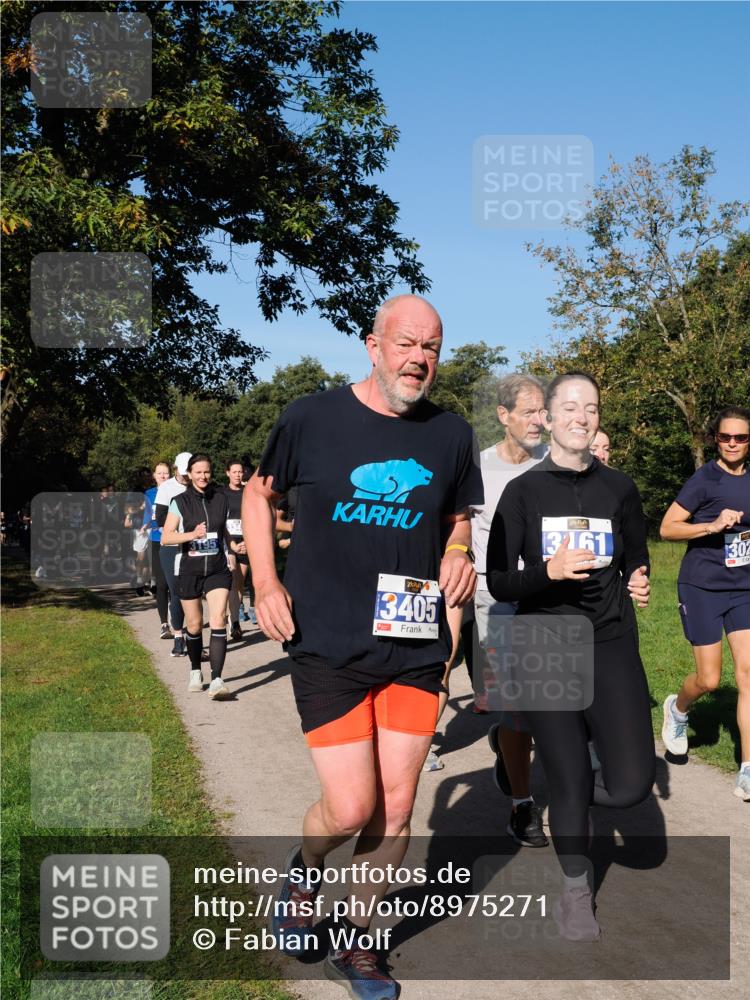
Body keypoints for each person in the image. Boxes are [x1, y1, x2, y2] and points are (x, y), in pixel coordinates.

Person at [243, 294, 482, 999]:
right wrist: (265, 581)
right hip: (327, 640)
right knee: (349, 808)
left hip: (413, 641)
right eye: (406, 343)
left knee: (397, 807)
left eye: (431, 348)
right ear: (373, 346)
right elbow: (258, 496)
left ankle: (358, 940)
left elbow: (458, 515)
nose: (418, 359)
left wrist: (459, 550)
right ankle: (305, 871)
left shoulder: (451, 434)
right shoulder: (309, 417)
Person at [487, 371, 654, 940]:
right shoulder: (523, 493)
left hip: (610, 642)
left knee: (631, 786)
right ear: (549, 418)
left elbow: (636, 556)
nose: (582, 417)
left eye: (592, 408)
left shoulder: (620, 489)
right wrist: (549, 571)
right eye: (571, 407)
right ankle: (576, 893)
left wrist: (639, 578)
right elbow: (500, 581)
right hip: (545, 643)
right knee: (571, 776)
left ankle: (568, 793)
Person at [471, 372, 549, 847]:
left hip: (547, 599)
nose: (539, 420)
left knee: (549, 701)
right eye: (529, 412)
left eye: (544, 411)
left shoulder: (556, 465)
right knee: (518, 705)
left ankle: (505, 741)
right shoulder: (476, 469)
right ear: (504, 416)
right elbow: (453, 529)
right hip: (495, 601)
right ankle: (522, 804)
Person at [659, 406, 750, 800]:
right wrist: (711, 525)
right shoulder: (704, 480)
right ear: (716, 439)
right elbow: (667, 528)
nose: (732, 443)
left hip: (744, 588)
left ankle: (747, 769)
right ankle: (678, 709)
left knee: (748, 674)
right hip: (702, 586)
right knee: (710, 680)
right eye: (725, 437)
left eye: (740, 437)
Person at [161, 453, 236, 700]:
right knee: (193, 624)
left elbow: (224, 531)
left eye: (207, 471)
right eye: (198, 472)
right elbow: (167, 536)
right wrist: (192, 535)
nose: (203, 476)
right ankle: (195, 670)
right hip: (189, 569)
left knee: (219, 618)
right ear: (190, 474)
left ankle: (217, 679)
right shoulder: (179, 501)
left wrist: (233, 547)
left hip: (216, 568)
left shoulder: (221, 499)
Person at [155, 453, 191, 657]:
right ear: (176, 469)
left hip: (195, 545)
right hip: (172, 546)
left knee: (192, 591)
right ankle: (178, 636)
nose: (186, 476)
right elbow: (160, 518)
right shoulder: (166, 488)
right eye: (183, 472)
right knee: (177, 590)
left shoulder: (199, 485)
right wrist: (179, 531)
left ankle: (194, 637)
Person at [142, 462, 172, 638]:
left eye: (165, 473)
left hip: (175, 541)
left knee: (175, 584)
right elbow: (147, 515)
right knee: (161, 584)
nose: (162, 476)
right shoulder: (149, 494)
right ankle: (164, 624)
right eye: (159, 473)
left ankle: (177, 618)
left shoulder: (177, 492)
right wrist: (144, 525)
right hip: (156, 541)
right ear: (154, 475)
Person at [223, 458, 252, 640]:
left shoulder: (248, 492)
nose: (238, 475)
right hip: (228, 541)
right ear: (227, 473)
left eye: (240, 472)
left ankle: (233, 616)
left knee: (240, 583)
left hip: (246, 541)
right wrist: (231, 543)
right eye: (234, 472)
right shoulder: (221, 493)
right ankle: (233, 621)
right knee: (233, 581)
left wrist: (248, 541)